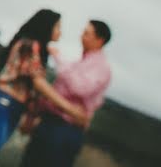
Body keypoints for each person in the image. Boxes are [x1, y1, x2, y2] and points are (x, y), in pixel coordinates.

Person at [0, 10, 88, 167]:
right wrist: (71, 110)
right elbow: (38, 83)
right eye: (57, 27)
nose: (60, 32)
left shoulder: (38, 50)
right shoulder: (29, 45)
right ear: (46, 27)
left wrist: (30, 116)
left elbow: (32, 91)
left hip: (14, 108)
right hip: (3, 104)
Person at [19, 20, 113, 167]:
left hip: (64, 129)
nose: (81, 36)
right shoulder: (80, 63)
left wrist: (59, 58)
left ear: (99, 40)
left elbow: (79, 88)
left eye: (87, 33)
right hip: (51, 123)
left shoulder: (101, 67)